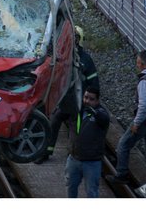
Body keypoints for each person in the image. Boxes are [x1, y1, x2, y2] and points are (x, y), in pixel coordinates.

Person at [38, 27, 100, 163]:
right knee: (52, 124)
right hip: (62, 101)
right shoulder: (63, 56)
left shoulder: (85, 60)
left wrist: (91, 103)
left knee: (75, 131)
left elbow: (94, 83)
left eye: (74, 38)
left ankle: (71, 158)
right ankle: (45, 152)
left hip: (78, 104)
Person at [108, 50, 146, 185]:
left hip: (144, 122)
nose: (137, 65)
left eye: (138, 62)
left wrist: (137, 122)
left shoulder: (145, 81)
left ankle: (121, 174)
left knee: (123, 145)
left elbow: (144, 106)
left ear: (143, 64)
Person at [65, 87, 110, 198]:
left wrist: (94, 113)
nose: (87, 101)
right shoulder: (78, 109)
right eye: (85, 97)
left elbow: (104, 119)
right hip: (73, 159)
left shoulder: (101, 113)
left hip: (92, 163)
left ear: (98, 101)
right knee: (70, 187)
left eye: (91, 99)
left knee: (91, 193)